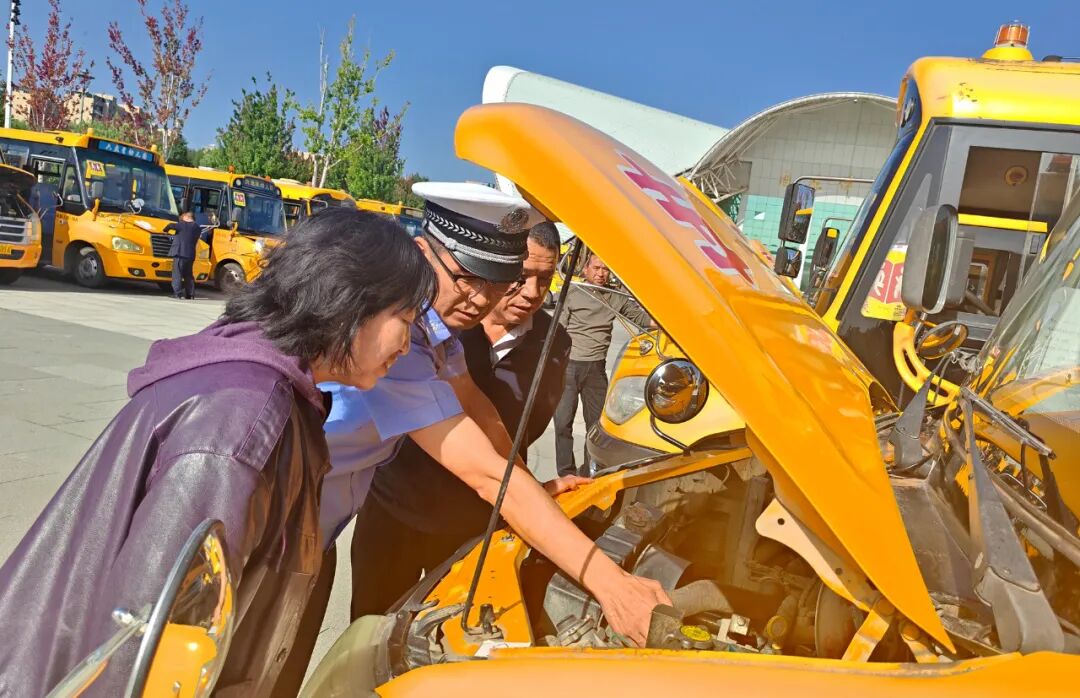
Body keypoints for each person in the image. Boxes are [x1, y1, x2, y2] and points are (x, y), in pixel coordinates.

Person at [0, 208, 438, 697]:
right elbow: (149, 643)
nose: (408, 344)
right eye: (404, 318)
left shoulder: (271, 390)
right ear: (347, 302)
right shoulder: (243, 420)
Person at [279, 185, 668, 696]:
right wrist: (612, 585)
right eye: (467, 277)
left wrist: (535, 488)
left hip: (315, 538)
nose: (482, 298)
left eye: (496, 281)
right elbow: (486, 473)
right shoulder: (394, 338)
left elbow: (482, 417)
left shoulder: (433, 332)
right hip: (272, 540)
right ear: (423, 254)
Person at [351, 221, 571, 618]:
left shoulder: (552, 343)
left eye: (546, 278)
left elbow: (512, 434)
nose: (533, 294)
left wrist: (534, 493)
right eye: (519, 278)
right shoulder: (437, 325)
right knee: (369, 636)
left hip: (470, 527)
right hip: (393, 514)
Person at [555, 252, 652, 475]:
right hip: (568, 367)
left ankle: (590, 472)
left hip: (596, 370)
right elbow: (558, 332)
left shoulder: (614, 297)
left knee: (595, 427)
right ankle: (566, 473)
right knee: (562, 424)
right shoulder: (572, 292)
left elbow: (640, 319)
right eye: (596, 268)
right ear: (586, 269)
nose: (601, 274)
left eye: (605, 269)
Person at [164, 211, 208, 299]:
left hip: (180, 253)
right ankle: (190, 294)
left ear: (187, 218)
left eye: (182, 218)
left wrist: (165, 231)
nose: (181, 219)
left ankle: (178, 293)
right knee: (188, 275)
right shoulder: (197, 228)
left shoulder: (182, 224)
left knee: (177, 274)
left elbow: (170, 225)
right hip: (190, 255)